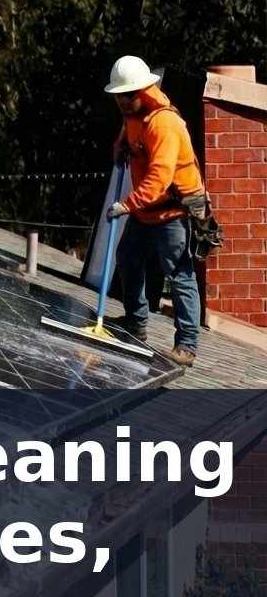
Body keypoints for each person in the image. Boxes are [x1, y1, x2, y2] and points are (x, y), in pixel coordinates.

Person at [104, 55, 204, 367]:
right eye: (118, 96)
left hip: (172, 212)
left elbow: (160, 178)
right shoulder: (132, 113)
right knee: (128, 259)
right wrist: (120, 148)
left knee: (179, 275)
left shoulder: (164, 123)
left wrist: (125, 205)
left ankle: (186, 345)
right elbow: (126, 142)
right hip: (146, 210)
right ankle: (136, 322)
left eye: (125, 95)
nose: (120, 101)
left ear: (141, 91)